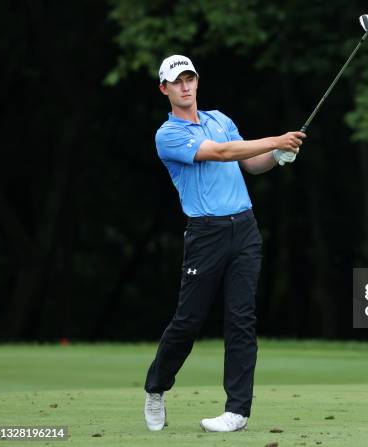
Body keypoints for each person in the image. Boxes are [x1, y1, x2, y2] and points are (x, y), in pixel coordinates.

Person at [143, 55, 305, 433]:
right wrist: (275, 139)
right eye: (177, 81)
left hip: (245, 229)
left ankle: (237, 412)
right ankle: (156, 388)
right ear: (164, 88)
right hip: (206, 234)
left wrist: (278, 155)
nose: (185, 86)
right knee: (188, 321)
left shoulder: (221, 119)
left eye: (190, 78)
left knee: (242, 320)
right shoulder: (168, 135)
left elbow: (249, 163)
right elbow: (220, 153)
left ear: (197, 82)